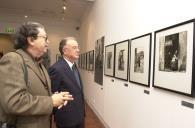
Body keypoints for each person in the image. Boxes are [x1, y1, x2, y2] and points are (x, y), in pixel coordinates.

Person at [0, 21, 73, 128]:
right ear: (31, 40)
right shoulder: (13, 59)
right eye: (45, 37)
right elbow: (14, 102)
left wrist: (56, 97)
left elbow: (39, 93)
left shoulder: (40, 64)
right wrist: (51, 101)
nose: (48, 41)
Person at [49, 37, 85, 128]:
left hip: (79, 116)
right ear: (65, 50)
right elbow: (53, 94)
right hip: (66, 119)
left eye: (78, 47)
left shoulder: (74, 65)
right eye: (74, 48)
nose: (78, 50)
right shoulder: (57, 69)